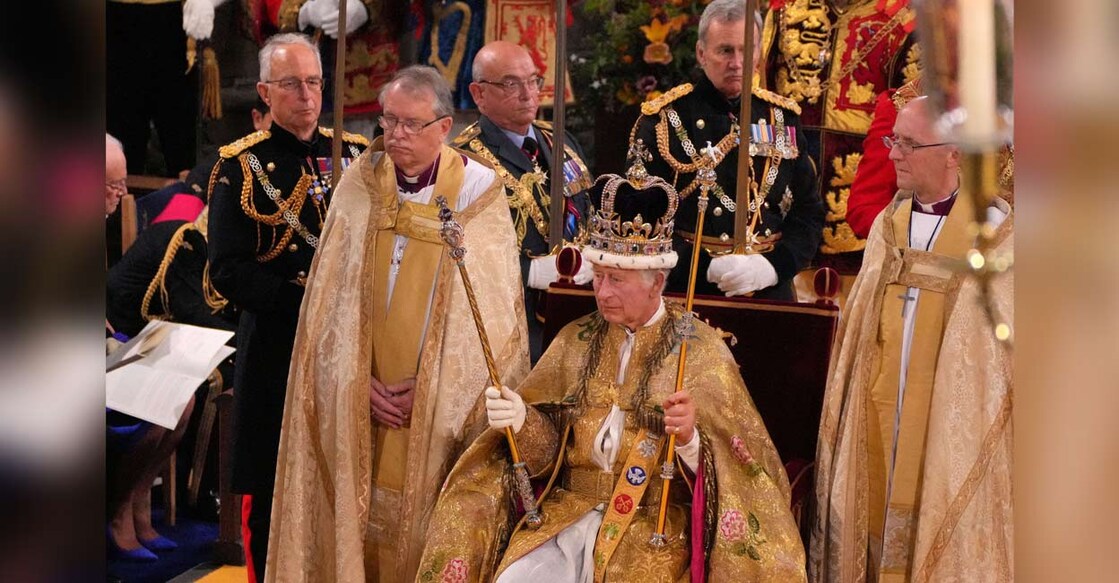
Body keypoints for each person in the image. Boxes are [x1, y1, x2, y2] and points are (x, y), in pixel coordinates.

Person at [418, 170, 806, 582]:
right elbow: (546, 459)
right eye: (599, 276)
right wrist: (521, 421)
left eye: (617, 280)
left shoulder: (701, 351)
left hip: (652, 526)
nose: (602, 292)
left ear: (657, 282)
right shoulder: (575, 340)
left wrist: (691, 440)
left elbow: (743, 467)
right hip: (566, 516)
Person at [265, 65, 529, 583]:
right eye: (389, 120)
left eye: (411, 123)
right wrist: (353, 380)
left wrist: (432, 388)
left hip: (433, 406)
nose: (396, 134)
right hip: (358, 396)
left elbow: (493, 317)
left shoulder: (479, 193)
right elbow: (328, 309)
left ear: (444, 127)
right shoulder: (359, 183)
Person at [810, 97, 1014, 581]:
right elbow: (858, 331)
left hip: (948, 421)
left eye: (908, 143)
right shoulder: (889, 225)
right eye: (893, 140)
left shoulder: (995, 236)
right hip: (881, 406)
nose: (893, 154)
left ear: (954, 154)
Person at [206, 32, 369, 582]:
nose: (307, 95)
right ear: (265, 92)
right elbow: (228, 270)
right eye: (292, 84)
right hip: (279, 344)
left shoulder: (353, 156)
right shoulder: (240, 166)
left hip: (350, 344)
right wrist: (307, 303)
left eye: (315, 82)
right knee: (272, 485)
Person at [629, 0, 823, 301]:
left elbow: (808, 213)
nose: (737, 63)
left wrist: (773, 267)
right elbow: (638, 218)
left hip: (771, 293)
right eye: (725, 51)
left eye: (747, 50)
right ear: (701, 53)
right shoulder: (663, 121)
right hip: (690, 291)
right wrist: (703, 268)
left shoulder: (782, 118)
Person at [453, 40, 593, 363]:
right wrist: (528, 271)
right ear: (478, 94)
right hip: (514, 327)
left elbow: (590, 213)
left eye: (533, 81)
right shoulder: (463, 161)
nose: (528, 94)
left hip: (578, 315)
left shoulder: (561, 140)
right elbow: (457, 254)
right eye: (510, 84)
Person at [759, 0, 919, 280]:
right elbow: (759, 101)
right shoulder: (785, 10)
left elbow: (915, 117)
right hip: (785, 206)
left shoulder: (906, 18)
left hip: (864, 200)